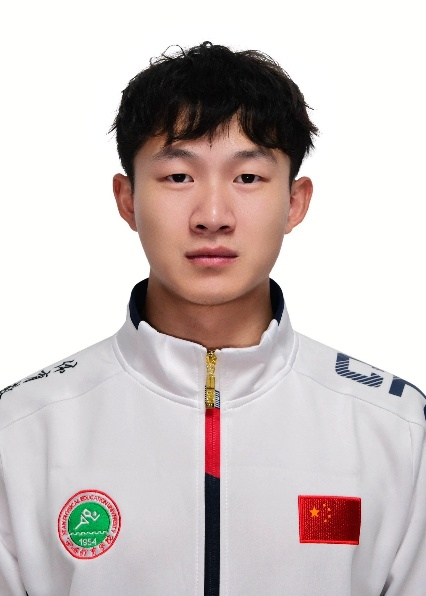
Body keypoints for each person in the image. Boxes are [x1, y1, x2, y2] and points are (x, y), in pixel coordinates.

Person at [0, 41, 424, 596]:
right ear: (127, 199)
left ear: (295, 202)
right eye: (179, 177)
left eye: (247, 178)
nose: (213, 216)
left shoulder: (396, 430)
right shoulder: (23, 431)